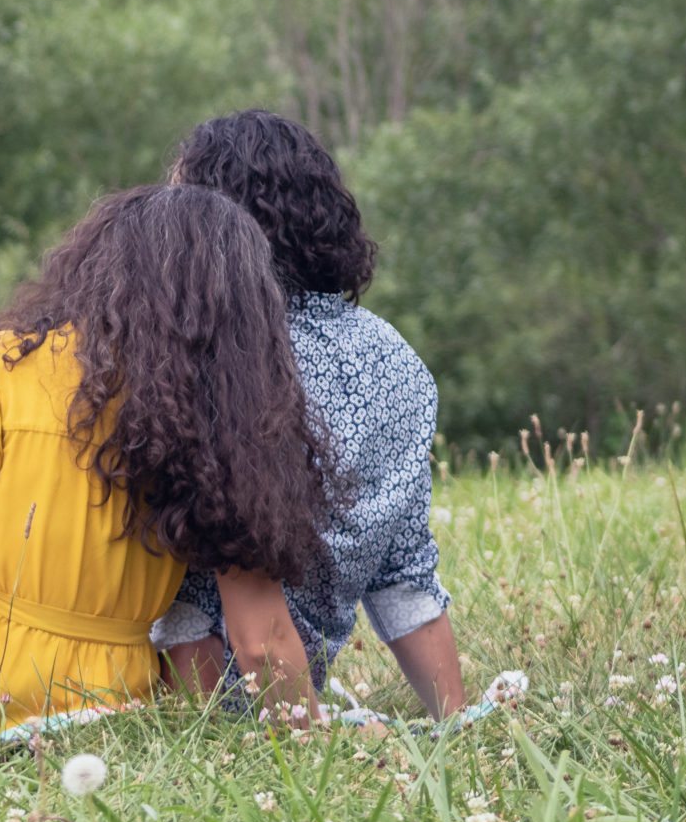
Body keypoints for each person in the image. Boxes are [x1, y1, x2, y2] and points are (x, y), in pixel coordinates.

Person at [0, 183, 336, 730]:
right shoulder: (219, 425)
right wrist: (316, 743)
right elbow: (263, 641)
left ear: (100, 268)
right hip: (121, 720)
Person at [151, 109, 467, 719]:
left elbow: (188, 610)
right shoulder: (395, 359)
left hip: (184, 708)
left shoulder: (207, 356)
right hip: (298, 706)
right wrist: (458, 726)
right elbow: (405, 578)